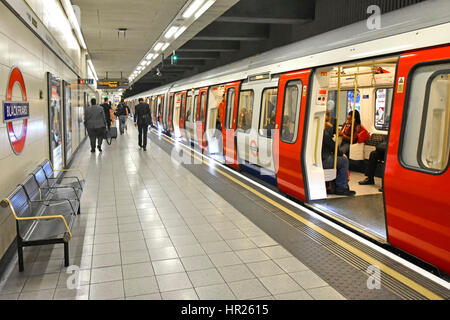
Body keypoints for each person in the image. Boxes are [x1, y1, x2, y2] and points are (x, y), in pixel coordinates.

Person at [322, 112, 355, 196]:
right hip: (324, 160)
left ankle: (335, 185)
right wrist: (341, 154)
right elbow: (333, 146)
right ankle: (341, 188)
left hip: (319, 158)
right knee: (344, 161)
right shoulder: (325, 132)